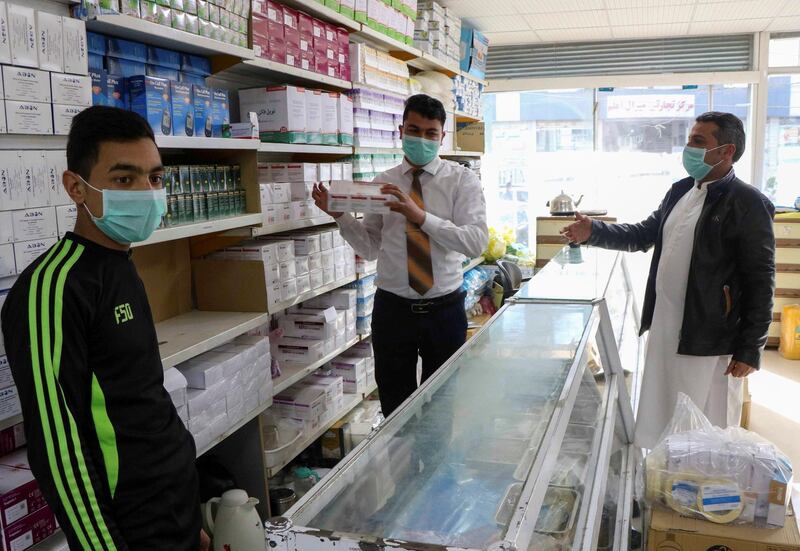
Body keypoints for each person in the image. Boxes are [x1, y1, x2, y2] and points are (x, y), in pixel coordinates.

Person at [0, 106, 208, 550]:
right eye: (124, 179)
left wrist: (190, 516)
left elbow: (141, 397)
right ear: (76, 187)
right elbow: (59, 451)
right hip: (128, 530)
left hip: (174, 507)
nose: (147, 193)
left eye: (155, 178)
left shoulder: (122, 263)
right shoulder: (51, 289)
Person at [562, 111, 775, 449]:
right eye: (690, 139)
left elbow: (761, 280)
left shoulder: (748, 203)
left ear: (726, 151)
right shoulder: (681, 191)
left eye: (698, 141)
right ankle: (665, 476)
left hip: (709, 335)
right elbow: (643, 234)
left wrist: (752, 347)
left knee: (706, 423)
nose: (688, 148)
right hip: (666, 323)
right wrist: (594, 232)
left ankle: (700, 488)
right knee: (665, 412)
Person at [313, 94, 489, 416]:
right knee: (394, 404)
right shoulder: (384, 184)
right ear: (400, 131)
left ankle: (435, 465)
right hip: (393, 310)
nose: (421, 139)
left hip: (444, 309)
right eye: (414, 130)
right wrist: (340, 215)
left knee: (442, 405)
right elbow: (368, 248)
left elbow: (475, 242)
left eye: (430, 133)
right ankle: (401, 464)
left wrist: (419, 215)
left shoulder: (462, 181)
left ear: (441, 137)